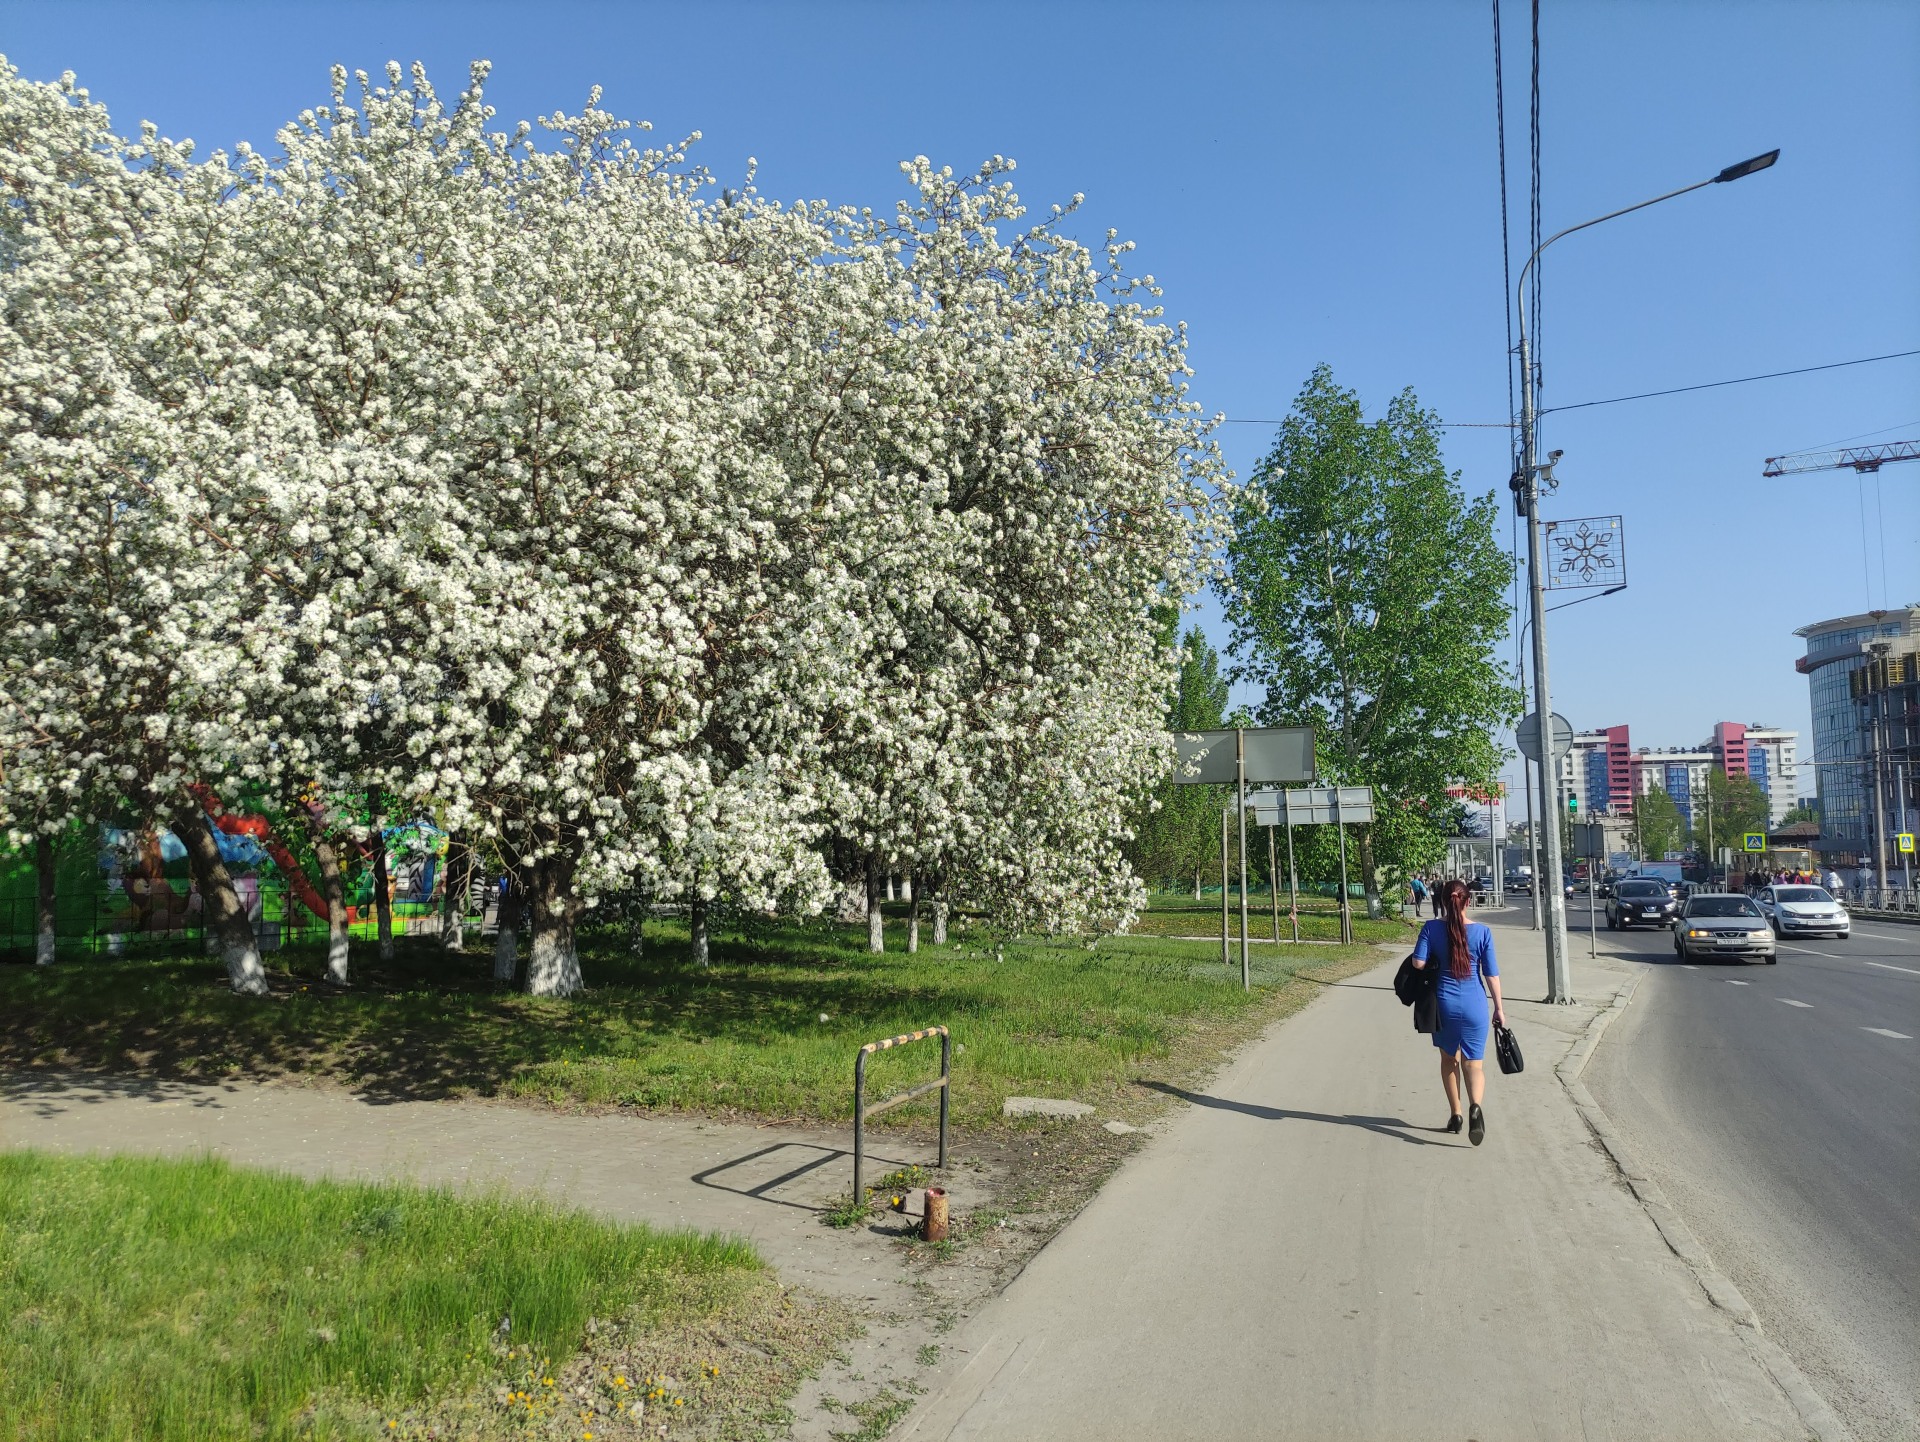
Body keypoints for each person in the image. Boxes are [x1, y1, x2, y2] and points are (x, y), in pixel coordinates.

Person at [1410, 877, 1505, 1145]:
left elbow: (1418, 963)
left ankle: (1457, 1114)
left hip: (1444, 1004)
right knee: (1474, 1063)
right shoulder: (1483, 932)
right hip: (1475, 1004)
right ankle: (1476, 1107)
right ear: (1468, 902)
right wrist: (1499, 1008)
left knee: (1449, 1060)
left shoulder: (1431, 928)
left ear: (1442, 901)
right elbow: (1491, 975)